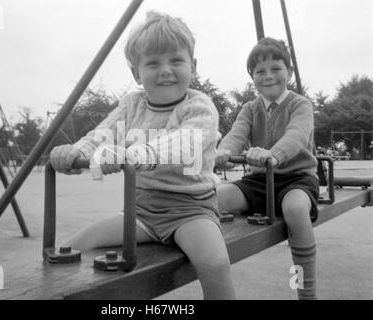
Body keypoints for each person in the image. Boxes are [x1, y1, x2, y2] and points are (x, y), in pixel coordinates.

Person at [50, 11, 236, 299]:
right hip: (142, 211)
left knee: (215, 263)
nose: (165, 70)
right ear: (136, 72)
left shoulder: (199, 107)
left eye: (176, 60)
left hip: (190, 209)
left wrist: (132, 155)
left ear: (193, 65)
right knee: (73, 247)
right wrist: (77, 151)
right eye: (153, 63)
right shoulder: (131, 105)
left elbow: (186, 143)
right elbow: (104, 133)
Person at [215, 37, 319, 300]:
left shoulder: (300, 105)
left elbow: (296, 136)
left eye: (276, 69)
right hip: (260, 181)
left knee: (295, 209)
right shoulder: (250, 109)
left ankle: (306, 291)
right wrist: (224, 151)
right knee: (212, 198)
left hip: (296, 178)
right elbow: (237, 134)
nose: (268, 76)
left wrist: (273, 155)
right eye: (260, 71)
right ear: (252, 77)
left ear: (289, 72)